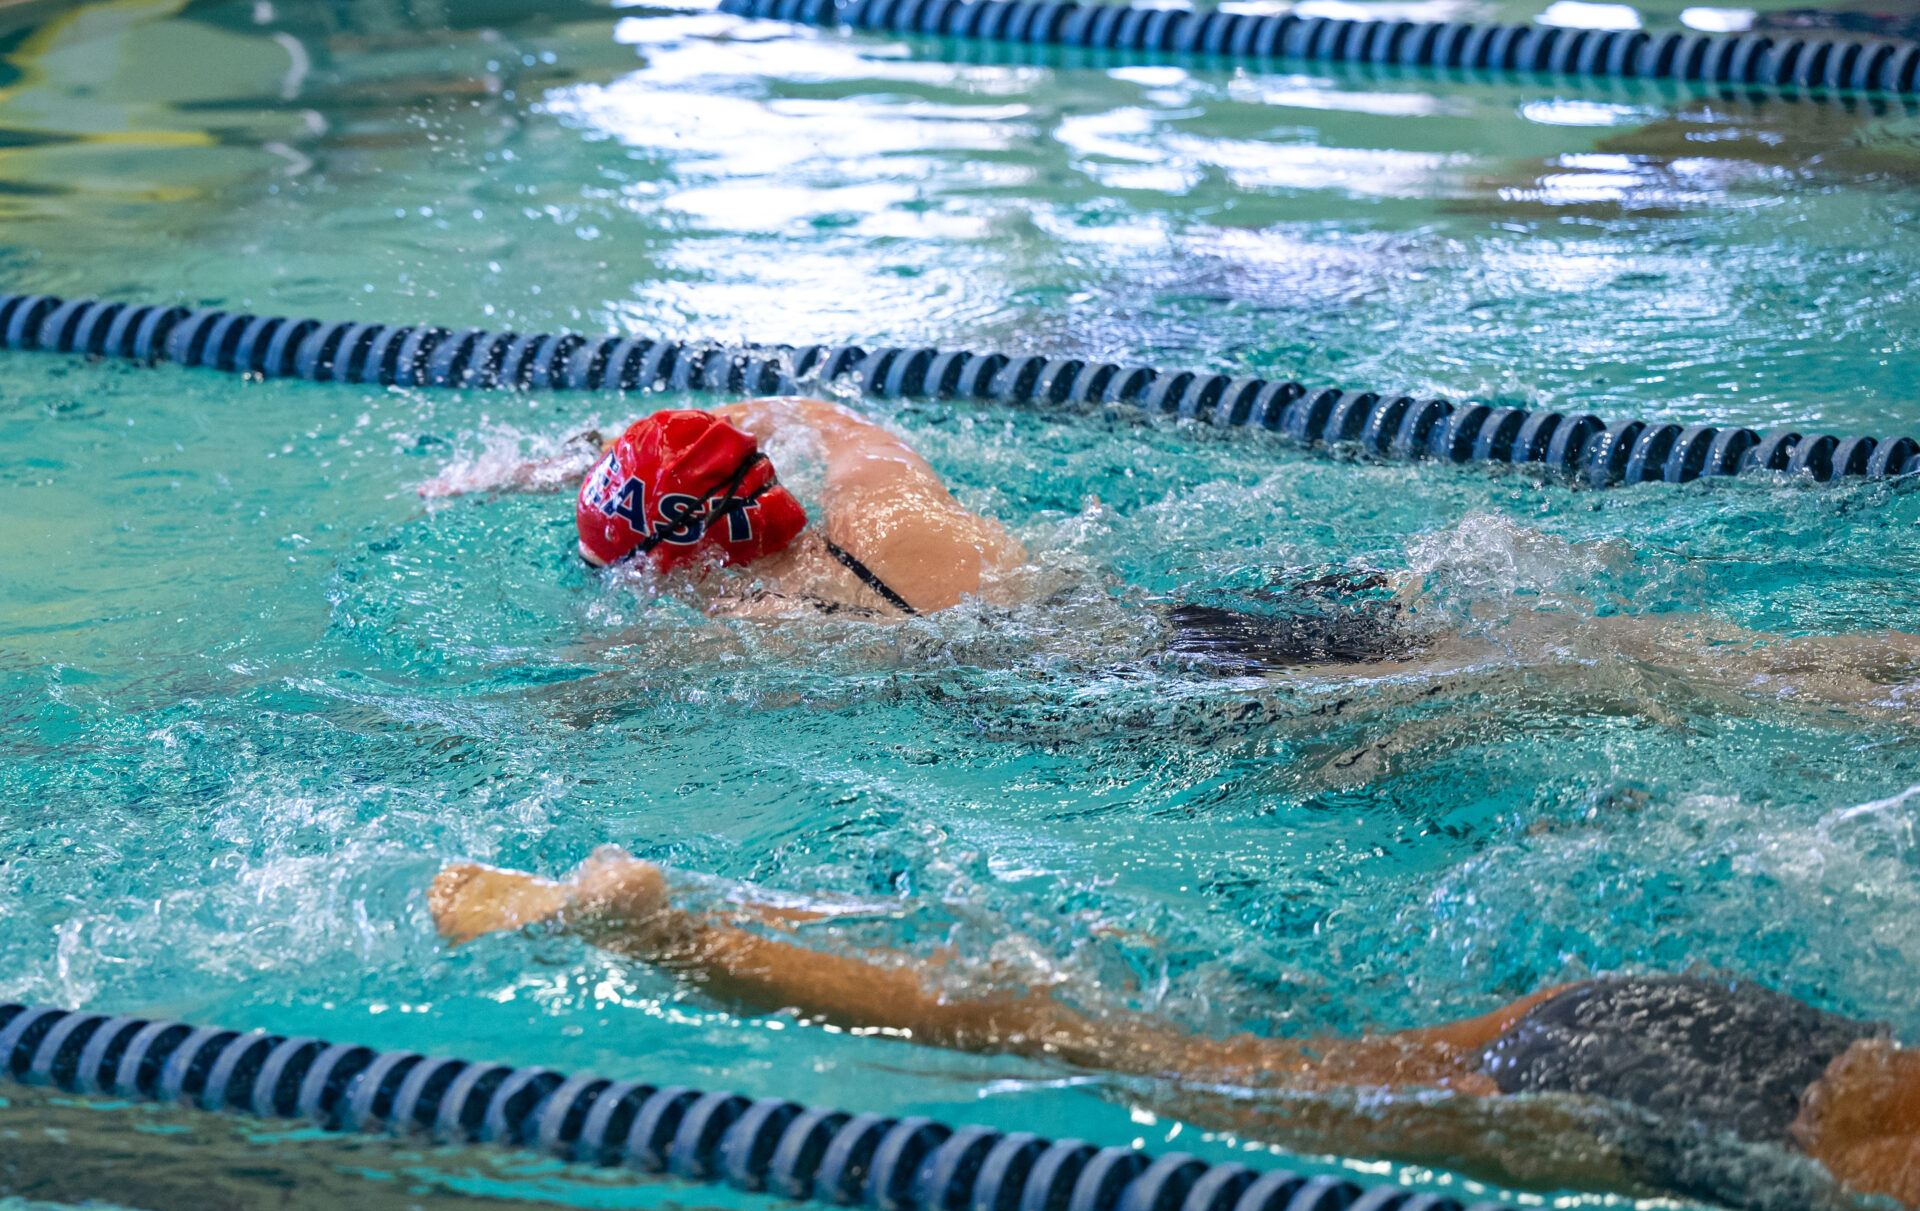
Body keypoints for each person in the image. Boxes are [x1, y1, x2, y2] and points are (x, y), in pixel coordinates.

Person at [427, 847, 1920, 1211]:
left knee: (1126, 1021)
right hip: (1683, 1098)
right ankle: (669, 932)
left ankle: (712, 918)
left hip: (1741, 1034)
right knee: (1115, 1051)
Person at [483, 396, 1920, 704]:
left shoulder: (753, 623)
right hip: (1190, 603)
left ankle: (1839, 688)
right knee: (1563, 651)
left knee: (1555, 681)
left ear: (677, 557)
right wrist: (597, 449)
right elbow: (810, 401)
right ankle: (1870, 662)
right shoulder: (883, 500)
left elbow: (585, 699)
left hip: (1162, 692)